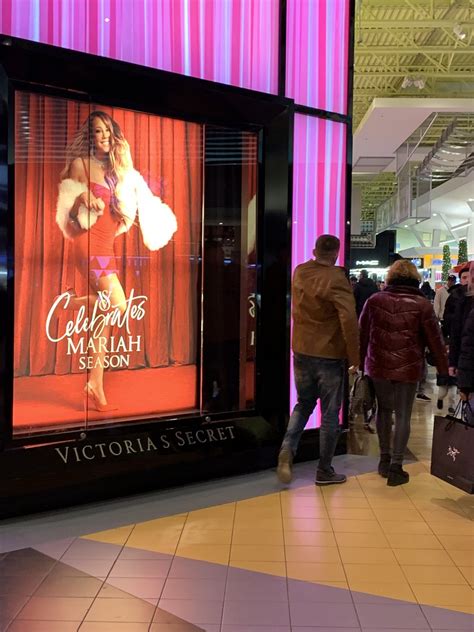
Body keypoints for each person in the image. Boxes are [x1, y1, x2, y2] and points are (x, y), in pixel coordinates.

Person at [55, 111, 177, 412]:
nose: (104, 136)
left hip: (105, 246)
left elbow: (133, 202)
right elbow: (67, 211)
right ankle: (68, 303)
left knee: (102, 321)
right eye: (98, 132)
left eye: (108, 131)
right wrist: (83, 200)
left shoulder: (118, 170)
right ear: (91, 136)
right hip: (88, 245)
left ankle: (95, 384)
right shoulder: (80, 165)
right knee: (118, 304)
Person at [277, 235, 359, 486]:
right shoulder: (336, 278)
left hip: (302, 350)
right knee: (330, 415)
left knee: (303, 404)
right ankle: (324, 470)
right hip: (329, 354)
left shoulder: (300, 271)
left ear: (314, 250)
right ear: (336, 253)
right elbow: (348, 320)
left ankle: (287, 449)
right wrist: (355, 359)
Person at [359, 260, 448, 486]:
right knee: (403, 415)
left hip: (378, 366)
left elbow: (361, 334)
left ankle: (384, 459)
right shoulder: (422, 305)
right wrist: (443, 370)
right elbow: (435, 341)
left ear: (390, 277)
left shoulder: (374, 300)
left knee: (383, 411)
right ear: (415, 279)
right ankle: (396, 467)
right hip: (408, 368)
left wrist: (360, 364)